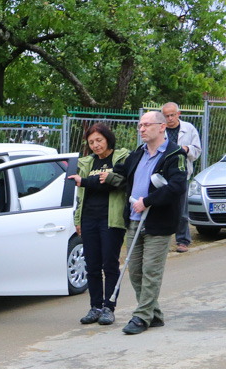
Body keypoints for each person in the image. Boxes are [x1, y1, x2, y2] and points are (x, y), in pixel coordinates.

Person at [112, 111, 187, 335]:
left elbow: (177, 186)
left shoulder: (174, 154)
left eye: (146, 125)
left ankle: (141, 317)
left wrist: (148, 201)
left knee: (151, 271)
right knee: (135, 270)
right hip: (134, 221)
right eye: (140, 125)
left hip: (158, 222)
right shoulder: (138, 154)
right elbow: (121, 173)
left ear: (162, 127)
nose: (142, 129)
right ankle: (154, 314)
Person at [69, 124, 130, 326]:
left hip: (111, 219)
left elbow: (120, 182)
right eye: (91, 142)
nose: (95, 145)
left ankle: (108, 307)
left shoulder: (121, 158)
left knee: (109, 264)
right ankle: (95, 307)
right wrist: (78, 220)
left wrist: (87, 181)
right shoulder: (87, 163)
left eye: (99, 140)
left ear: (108, 139)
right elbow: (80, 194)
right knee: (92, 265)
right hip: (89, 219)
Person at [161, 103, 201, 253]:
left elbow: (197, 150)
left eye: (172, 115)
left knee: (181, 209)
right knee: (160, 205)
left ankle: (183, 240)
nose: (170, 118)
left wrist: (186, 149)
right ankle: (161, 239)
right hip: (161, 174)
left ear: (179, 114)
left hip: (181, 174)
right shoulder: (160, 128)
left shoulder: (189, 129)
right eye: (166, 116)